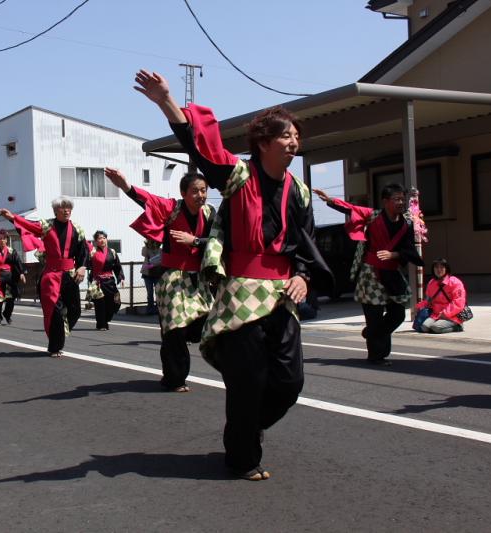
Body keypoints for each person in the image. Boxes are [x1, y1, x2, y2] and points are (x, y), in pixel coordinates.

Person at [134, 69, 333, 481]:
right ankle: (242, 456)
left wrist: (304, 277)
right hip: (242, 292)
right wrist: (166, 101)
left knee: (289, 382)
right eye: (286, 136)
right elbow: (202, 146)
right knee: (248, 381)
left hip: (281, 296)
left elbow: (307, 244)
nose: (294, 143)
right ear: (263, 143)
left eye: (297, 136)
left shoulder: (300, 191)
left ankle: (247, 427)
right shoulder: (239, 177)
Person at [104, 168, 215, 393]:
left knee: (206, 325)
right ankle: (175, 378)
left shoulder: (211, 212)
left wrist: (195, 241)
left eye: (204, 190)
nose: (201, 195)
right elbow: (148, 200)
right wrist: (126, 186)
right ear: (183, 193)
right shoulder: (172, 208)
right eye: (195, 191)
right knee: (173, 330)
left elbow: (219, 240)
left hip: (200, 279)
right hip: (173, 277)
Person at [314, 184, 423, 364]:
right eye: (397, 199)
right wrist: (330, 200)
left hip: (392, 272)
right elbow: (351, 209)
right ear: (385, 201)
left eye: (402, 199)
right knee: (374, 315)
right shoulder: (373, 216)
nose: (401, 202)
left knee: (397, 314)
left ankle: (371, 332)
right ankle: (377, 356)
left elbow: (409, 249)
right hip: (371, 273)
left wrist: (394, 254)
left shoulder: (406, 223)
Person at [0, 197, 89, 357]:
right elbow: (29, 226)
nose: (67, 210)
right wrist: (13, 218)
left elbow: (84, 251)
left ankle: (62, 329)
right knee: (54, 311)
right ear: (56, 211)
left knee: (75, 310)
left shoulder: (77, 228)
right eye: (63, 208)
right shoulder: (47, 225)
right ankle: (55, 347)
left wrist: (82, 266)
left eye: (69, 207)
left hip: (69, 274)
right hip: (51, 274)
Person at [415, 258, 467, 334]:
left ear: (446, 269)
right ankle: (438, 325)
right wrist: (418, 307)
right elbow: (428, 300)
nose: (439, 270)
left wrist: (445, 314)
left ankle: (458, 326)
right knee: (424, 327)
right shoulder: (431, 283)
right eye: (436, 267)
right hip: (436, 314)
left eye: (442, 267)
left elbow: (459, 302)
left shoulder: (455, 282)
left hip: (452, 315)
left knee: (436, 328)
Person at [0, 229, 26, 325]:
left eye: (4, 238)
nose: (2, 240)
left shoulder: (11, 251)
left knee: (11, 297)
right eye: (0, 239)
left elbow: (17, 262)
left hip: (9, 276)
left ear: (7, 240)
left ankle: (7, 314)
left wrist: (21, 273)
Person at [87, 230, 125, 330]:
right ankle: (101, 324)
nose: (102, 240)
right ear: (95, 241)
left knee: (115, 302)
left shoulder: (112, 252)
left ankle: (106, 320)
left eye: (104, 238)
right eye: (99, 238)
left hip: (110, 281)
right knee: (100, 304)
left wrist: (120, 278)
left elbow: (117, 266)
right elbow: (85, 263)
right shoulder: (93, 252)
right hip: (98, 282)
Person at [140, 238, 161, 314]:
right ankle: (150, 309)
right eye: (152, 241)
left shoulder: (160, 250)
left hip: (157, 273)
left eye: (155, 242)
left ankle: (158, 308)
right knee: (150, 292)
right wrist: (147, 244)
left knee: (158, 292)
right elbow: (143, 253)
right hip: (147, 274)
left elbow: (161, 260)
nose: (153, 243)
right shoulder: (146, 249)